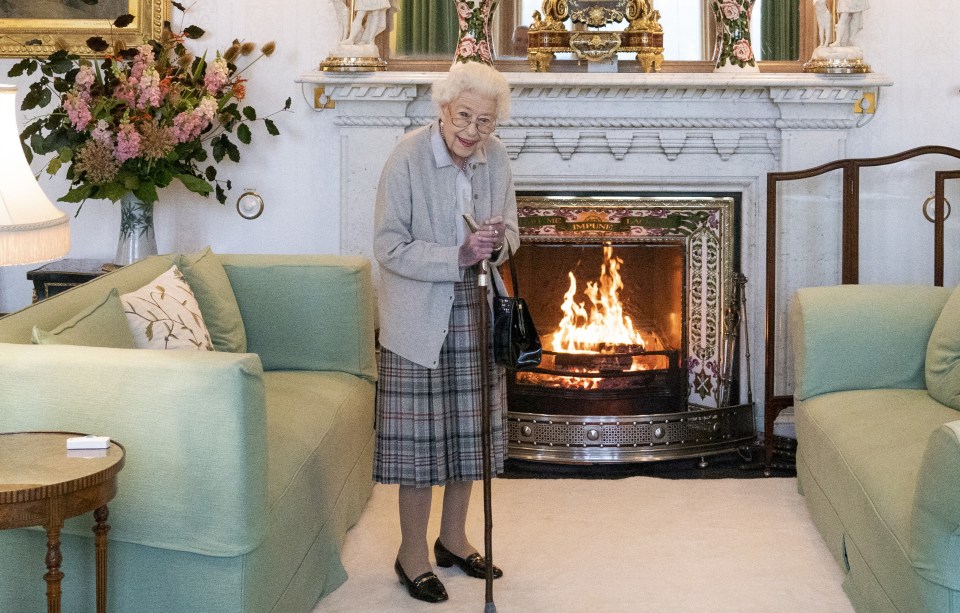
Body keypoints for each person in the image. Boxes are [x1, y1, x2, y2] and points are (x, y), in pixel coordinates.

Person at [372, 61, 516, 604]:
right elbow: (388, 246)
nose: (473, 131)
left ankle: (452, 540)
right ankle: (411, 554)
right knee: (420, 448)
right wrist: (456, 254)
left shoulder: (495, 157)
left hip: (477, 310)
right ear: (442, 109)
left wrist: (497, 242)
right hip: (418, 317)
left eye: (485, 121)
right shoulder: (408, 156)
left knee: (468, 437)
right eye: (464, 117)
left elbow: (513, 233)